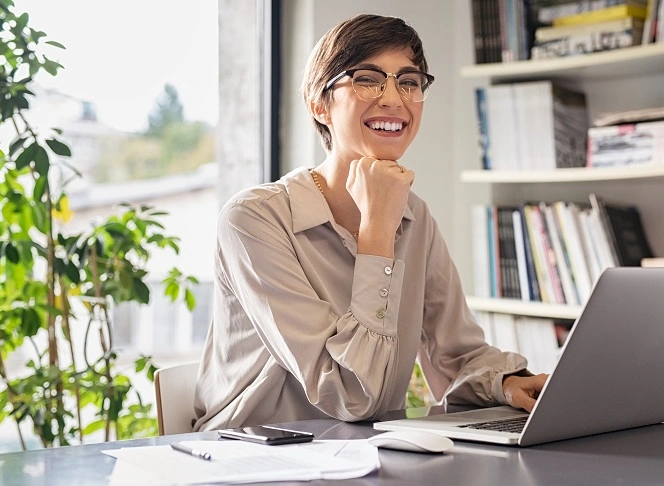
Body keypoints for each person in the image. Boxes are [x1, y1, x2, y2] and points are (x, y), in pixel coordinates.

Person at [193, 13, 547, 431]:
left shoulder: (416, 217)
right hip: (250, 459)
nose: (395, 99)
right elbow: (350, 396)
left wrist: (506, 383)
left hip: (361, 452)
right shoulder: (253, 220)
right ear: (319, 104)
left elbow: (455, 355)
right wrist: (377, 228)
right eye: (368, 79)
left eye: (409, 82)